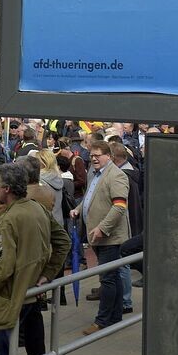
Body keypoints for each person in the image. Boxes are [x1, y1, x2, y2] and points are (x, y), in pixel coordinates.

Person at [0, 162, 67, 355]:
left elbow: (3, 269)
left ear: (7, 188)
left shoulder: (9, 219)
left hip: (9, 296)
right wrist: (47, 273)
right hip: (30, 291)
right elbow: (63, 241)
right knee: (29, 334)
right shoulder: (37, 208)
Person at [74, 140, 130, 335]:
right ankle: (115, 317)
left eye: (98, 155)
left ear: (109, 156)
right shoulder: (95, 174)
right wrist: (79, 209)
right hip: (97, 236)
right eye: (92, 155)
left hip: (110, 237)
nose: (94, 159)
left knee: (107, 278)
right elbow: (91, 196)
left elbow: (119, 207)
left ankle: (103, 321)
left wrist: (102, 228)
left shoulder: (116, 176)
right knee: (111, 277)